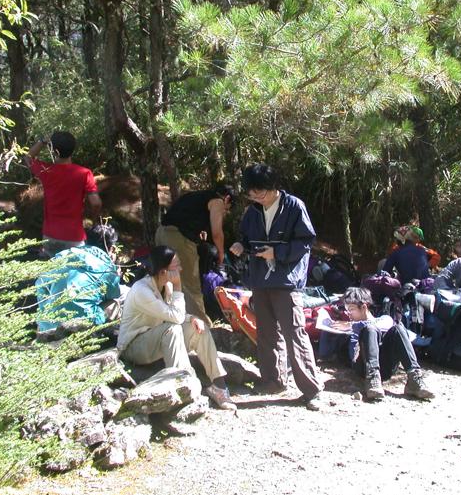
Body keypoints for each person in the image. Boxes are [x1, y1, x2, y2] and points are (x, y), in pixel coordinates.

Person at [228, 163, 324, 411]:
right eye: (252, 193)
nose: (256, 197)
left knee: (294, 333)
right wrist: (240, 246)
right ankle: (273, 381)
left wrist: (277, 253)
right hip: (260, 280)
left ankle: (312, 390)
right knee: (267, 333)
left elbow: (305, 241)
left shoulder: (294, 206)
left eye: (260, 192)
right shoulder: (252, 211)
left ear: (273, 187)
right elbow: (246, 238)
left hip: (286, 281)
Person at [117, 245, 236, 410]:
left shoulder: (166, 285)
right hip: (134, 347)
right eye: (176, 266)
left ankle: (219, 386)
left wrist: (192, 318)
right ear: (163, 271)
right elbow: (175, 317)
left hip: (158, 338)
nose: (180, 269)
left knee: (198, 327)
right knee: (172, 329)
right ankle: (183, 383)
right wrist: (179, 287)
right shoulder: (141, 291)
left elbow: (172, 314)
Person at [156, 183, 235, 326]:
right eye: (227, 209)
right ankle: (202, 326)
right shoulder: (218, 201)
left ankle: (169, 319)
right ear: (227, 198)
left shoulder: (198, 196)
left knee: (167, 281)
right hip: (178, 239)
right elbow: (217, 234)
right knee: (191, 285)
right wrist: (221, 253)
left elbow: (186, 216)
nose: (225, 212)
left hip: (161, 233)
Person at [341, 288, 434, 401]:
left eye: (351, 309)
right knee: (369, 330)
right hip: (363, 366)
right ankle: (372, 378)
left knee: (398, 328)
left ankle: (414, 378)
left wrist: (352, 325)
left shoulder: (383, 319)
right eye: (347, 310)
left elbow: (386, 324)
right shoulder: (349, 326)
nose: (348, 314)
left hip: (385, 367)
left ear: (364, 307)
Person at [35, 224, 122, 337]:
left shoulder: (64, 255)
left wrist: (44, 314)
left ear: (86, 241)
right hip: (80, 325)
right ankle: (100, 339)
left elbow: (40, 285)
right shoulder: (107, 269)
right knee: (114, 303)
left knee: (45, 305)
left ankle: (42, 335)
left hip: (49, 323)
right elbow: (113, 295)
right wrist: (116, 276)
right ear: (112, 249)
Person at [26, 131, 101, 257]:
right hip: (74, 236)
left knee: (53, 268)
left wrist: (42, 141)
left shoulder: (46, 171)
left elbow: (28, 157)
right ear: (73, 149)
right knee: (75, 268)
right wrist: (93, 220)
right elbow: (96, 203)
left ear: (54, 151)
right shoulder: (84, 173)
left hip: (50, 235)